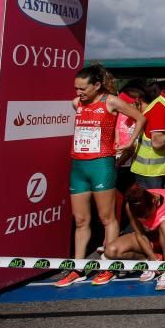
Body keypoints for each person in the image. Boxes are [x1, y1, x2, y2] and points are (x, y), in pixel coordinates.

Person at [55, 65, 146, 288]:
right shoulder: (76, 103)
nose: (78, 93)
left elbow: (140, 118)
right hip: (78, 166)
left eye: (82, 89)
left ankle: (108, 265)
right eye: (76, 88)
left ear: (96, 85)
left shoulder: (111, 101)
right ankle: (77, 267)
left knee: (107, 218)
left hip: (102, 164)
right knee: (81, 220)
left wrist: (128, 143)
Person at [103, 184, 165, 291]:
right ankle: (149, 261)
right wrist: (153, 258)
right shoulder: (130, 206)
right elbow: (140, 234)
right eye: (142, 217)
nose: (145, 219)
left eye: (147, 215)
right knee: (110, 251)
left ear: (154, 201)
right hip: (150, 241)